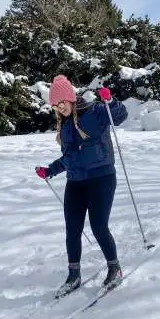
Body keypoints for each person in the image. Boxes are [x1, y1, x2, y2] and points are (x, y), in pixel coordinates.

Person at [35, 74, 128, 297]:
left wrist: (111, 101)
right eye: (55, 105)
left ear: (71, 98)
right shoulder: (65, 126)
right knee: (72, 229)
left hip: (101, 178)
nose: (59, 108)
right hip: (75, 182)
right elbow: (69, 158)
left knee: (98, 226)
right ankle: (73, 275)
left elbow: (120, 115)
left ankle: (114, 268)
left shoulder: (95, 112)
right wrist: (50, 170)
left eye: (61, 103)